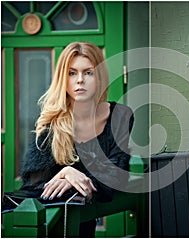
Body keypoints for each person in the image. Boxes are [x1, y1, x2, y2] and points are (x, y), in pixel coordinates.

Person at [16, 42, 134, 236]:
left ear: (99, 76)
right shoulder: (52, 122)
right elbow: (32, 187)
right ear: (63, 78)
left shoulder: (120, 116)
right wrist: (67, 173)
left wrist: (77, 177)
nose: (80, 80)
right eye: (72, 73)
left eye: (88, 72)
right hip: (50, 225)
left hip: (83, 222)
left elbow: (116, 175)